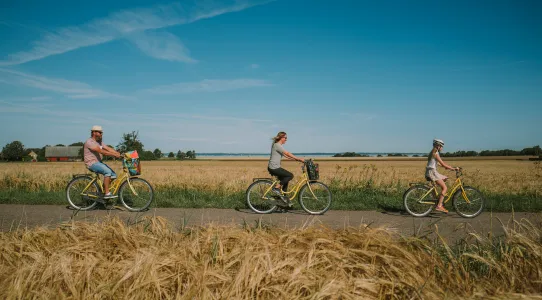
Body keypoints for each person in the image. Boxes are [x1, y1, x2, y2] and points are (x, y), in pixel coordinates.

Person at [84, 125, 121, 199]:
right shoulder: (89, 142)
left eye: (101, 133)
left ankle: (103, 191)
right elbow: (102, 151)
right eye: (100, 132)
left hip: (98, 163)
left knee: (113, 175)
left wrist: (118, 153)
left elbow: (108, 148)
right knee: (107, 172)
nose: (101, 134)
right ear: (94, 132)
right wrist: (114, 155)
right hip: (92, 164)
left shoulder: (99, 142)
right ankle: (107, 193)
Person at [268, 132, 305, 204]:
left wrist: (297, 159)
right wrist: (299, 158)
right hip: (274, 168)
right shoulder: (277, 145)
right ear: (281, 138)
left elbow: (287, 156)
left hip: (275, 167)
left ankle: (284, 200)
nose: (286, 139)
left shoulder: (278, 146)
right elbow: (287, 153)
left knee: (285, 180)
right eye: (285, 138)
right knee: (290, 175)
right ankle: (276, 188)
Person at [426, 139, 459, 213]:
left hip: (431, 172)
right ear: (438, 146)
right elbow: (443, 163)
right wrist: (453, 168)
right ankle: (439, 206)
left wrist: (448, 167)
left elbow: (437, 163)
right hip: (432, 172)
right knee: (445, 188)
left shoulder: (432, 153)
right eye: (441, 146)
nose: (442, 148)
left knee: (445, 178)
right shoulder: (436, 153)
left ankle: (437, 198)